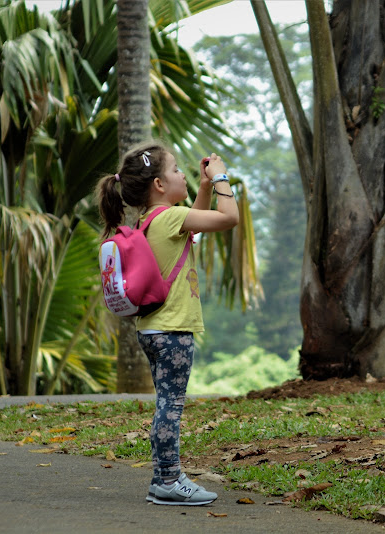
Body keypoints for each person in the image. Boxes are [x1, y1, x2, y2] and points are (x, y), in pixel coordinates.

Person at [96, 141, 239, 505]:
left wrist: (203, 188)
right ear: (159, 184)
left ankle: (166, 477)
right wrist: (221, 177)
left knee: (166, 402)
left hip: (152, 329)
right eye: (176, 170)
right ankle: (167, 480)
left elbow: (194, 228)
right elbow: (228, 217)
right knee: (170, 406)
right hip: (173, 330)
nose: (183, 175)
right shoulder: (171, 218)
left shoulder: (151, 221)